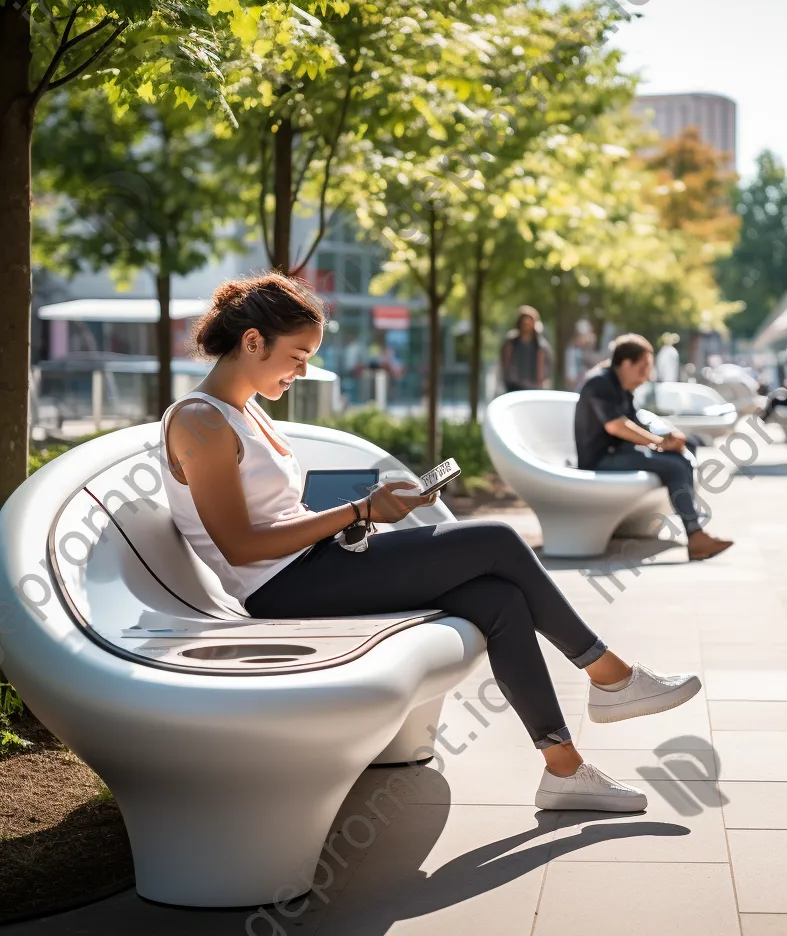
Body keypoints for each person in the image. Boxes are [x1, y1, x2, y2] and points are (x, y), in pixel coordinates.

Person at [160, 273, 703, 814]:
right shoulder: (200, 422)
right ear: (253, 341)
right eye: (297, 356)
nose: (303, 371)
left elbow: (279, 517)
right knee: (496, 539)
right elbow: (240, 546)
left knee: (500, 600)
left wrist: (360, 518)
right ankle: (611, 676)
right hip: (281, 587)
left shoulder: (246, 409)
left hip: (313, 567)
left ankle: (564, 770)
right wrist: (358, 511)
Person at [574, 334, 733, 561]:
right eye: (643, 368)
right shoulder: (599, 383)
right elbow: (616, 426)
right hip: (600, 460)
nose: (647, 376)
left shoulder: (620, 386)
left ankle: (694, 527)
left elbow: (636, 423)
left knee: (686, 451)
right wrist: (658, 442)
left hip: (621, 453)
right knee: (675, 466)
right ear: (626, 363)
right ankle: (695, 535)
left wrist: (669, 438)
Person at [500, 306, 552, 392]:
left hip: (534, 387)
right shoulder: (511, 342)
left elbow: (544, 366)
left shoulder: (540, 345)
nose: (526, 325)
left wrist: (540, 382)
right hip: (514, 386)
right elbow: (505, 363)